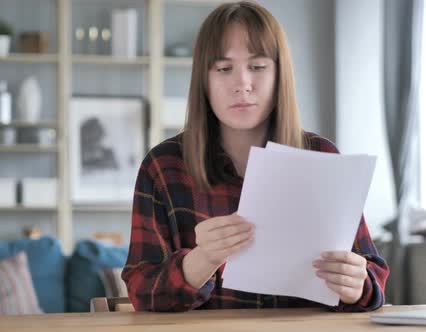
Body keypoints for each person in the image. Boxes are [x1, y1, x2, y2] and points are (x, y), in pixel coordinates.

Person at [122, 1, 389, 312]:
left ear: (280, 76)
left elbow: (372, 277)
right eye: (223, 69)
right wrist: (201, 260)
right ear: (204, 83)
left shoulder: (322, 156)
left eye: (258, 67)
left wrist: (357, 284)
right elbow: (141, 290)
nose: (242, 85)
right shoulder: (164, 166)